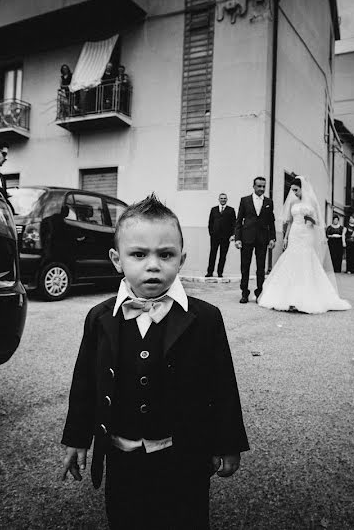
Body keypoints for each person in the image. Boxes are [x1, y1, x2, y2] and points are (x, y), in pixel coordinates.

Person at [58, 194, 249, 528]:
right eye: (138, 254)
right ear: (117, 259)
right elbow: (86, 381)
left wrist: (228, 443)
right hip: (122, 456)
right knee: (125, 518)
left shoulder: (205, 318)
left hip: (184, 457)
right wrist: (77, 438)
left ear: (181, 258)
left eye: (165, 254)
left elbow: (221, 384)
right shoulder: (99, 318)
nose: (153, 264)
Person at [256, 176, 351, 313]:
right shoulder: (293, 203)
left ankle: (303, 298)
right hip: (295, 233)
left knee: (305, 262)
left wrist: (310, 219)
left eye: (296, 190)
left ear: (302, 188)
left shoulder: (311, 201)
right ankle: (288, 297)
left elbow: (318, 222)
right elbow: (289, 221)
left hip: (307, 234)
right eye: (293, 190)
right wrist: (286, 238)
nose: (294, 193)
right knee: (291, 261)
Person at [234, 176, 276, 303]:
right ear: (253, 186)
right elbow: (239, 220)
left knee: (261, 267)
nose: (262, 188)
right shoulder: (245, 200)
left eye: (264, 186)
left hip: (262, 239)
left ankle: (259, 293)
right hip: (247, 238)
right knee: (245, 266)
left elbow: (271, 222)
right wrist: (237, 238)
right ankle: (244, 293)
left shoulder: (269, 202)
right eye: (259, 186)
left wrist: (272, 238)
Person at [206, 193, 236, 278]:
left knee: (223, 255)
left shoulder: (231, 210)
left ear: (227, 199)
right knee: (212, 254)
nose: (223, 199)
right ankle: (210, 272)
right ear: (219, 199)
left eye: (224, 198)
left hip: (226, 237)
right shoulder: (214, 209)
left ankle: (220, 273)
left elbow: (234, 224)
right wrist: (211, 233)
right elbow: (210, 222)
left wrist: (233, 235)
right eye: (221, 198)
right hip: (215, 236)